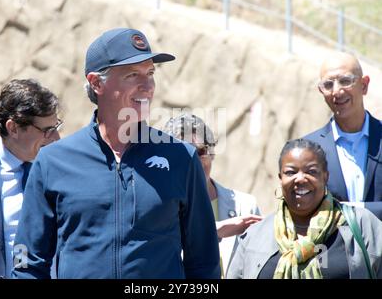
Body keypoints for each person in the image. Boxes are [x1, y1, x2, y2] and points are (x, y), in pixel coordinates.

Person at [12, 28, 220, 279]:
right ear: (96, 83)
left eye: (151, 73)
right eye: (133, 75)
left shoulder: (181, 158)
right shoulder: (52, 162)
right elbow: (27, 265)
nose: (148, 86)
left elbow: (204, 263)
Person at [227, 138, 382, 279]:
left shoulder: (364, 226)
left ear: (325, 176)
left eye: (311, 171)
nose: (300, 178)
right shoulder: (255, 236)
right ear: (280, 178)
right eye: (290, 172)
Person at [0, 79, 61, 279]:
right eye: (47, 131)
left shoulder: (63, 171)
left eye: (57, 126)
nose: (57, 137)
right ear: (13, 128)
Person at [163, 113, 262, 276]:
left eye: (199, 152)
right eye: (183, 153)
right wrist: (215, 231)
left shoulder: (245, 206)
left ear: (212, 154)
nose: (193, 161)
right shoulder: (158, 209)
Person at [303, 52, 382, 219]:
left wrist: (348, 211)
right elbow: (302, 210)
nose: (337, 91)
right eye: (328, 84)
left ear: (364, 85)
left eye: (345, 81)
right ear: (321, 90)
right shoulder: (308, 149)